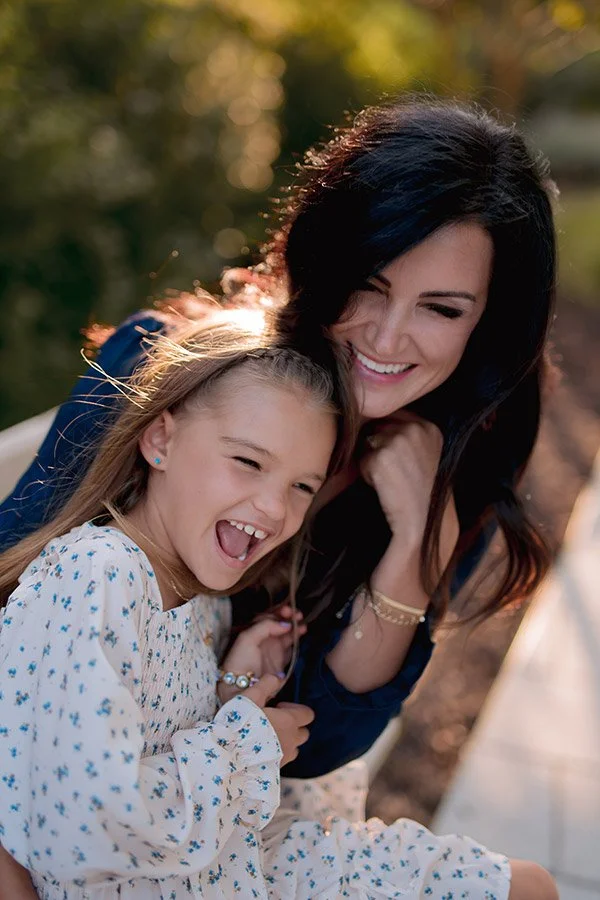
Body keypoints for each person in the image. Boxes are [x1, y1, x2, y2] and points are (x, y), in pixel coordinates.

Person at [0, 96, 558, 896]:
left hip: (229, 838)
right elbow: (16, 615)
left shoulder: (448, 477)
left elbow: (318, 744)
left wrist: (412, 553)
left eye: (441, 309)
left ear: (484, 326)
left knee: (528, 887)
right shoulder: (176, 379)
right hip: (119, 851)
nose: (388, 336)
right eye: (369, 284)